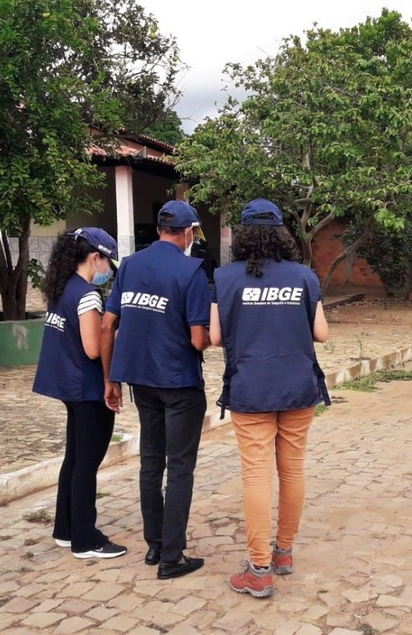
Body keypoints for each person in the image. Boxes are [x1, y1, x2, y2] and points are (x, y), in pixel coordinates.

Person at [211, 198, 330, 599]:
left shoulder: (224, 279)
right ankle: (283, 554)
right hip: (299, 387)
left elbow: (213, 337)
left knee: (256, 475)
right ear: (282, 233)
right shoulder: (304, 277)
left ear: (243, 235)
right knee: (292, 469)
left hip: (250, 388)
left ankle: (258, 569)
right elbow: (322, 334)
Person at [100, 200, 212, 580]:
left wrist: (110, 379)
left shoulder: (129, 266)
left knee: (151, 462)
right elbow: (198, 340)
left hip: (139, 380)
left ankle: (155, 546)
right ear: (187, 233)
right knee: (180, 467)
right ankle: (172, 557)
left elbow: (108, 325)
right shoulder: (191, 270)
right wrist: (215, 336)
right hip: (179, 381)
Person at [32, 227, 127, 560]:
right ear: (95, 258)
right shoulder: (87, 294)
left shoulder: (61, 288)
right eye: (107, 264)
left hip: (68, 386)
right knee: (87, 463)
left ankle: (65, 528)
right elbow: (91, 348)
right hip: (87, 389)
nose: (107, 271)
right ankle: (86, 538)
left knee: (73, 458)